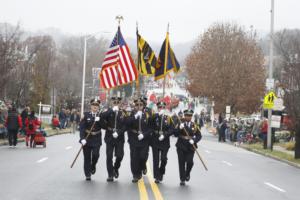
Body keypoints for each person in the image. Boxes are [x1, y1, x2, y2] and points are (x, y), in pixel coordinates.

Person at [126, 97, 152, 183]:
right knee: (134, 158)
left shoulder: (148, 114)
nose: (139, 106)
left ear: (144, 105)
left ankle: (143, 166)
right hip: (134, 138)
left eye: (141, 105)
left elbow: (151, 128)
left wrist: (144, 135)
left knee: (143, 156)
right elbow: (127, 123)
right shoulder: (132, 113)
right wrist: (135, 117)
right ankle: (135, 174)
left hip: (144, 140)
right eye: (137, 105)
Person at [174, 109, 202, 186]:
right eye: (187, 115)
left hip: (190, 146)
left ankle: (187, 173)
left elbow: (199, 135)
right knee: (181, 162)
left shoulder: (194, 125)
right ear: (184, 116)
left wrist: (194, 140)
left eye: (190, 116)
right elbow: (175, 134)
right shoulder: (180, 123)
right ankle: (182, 179)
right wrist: (179, 128)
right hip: (181, 145)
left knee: (190, 162)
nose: (188, 117)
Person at [79, 99, 105, 181]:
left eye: (97, 105)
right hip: (87, 139)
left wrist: (100, 120)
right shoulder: (86, 115)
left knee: (96, 155)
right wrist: (82, 139)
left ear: (98, 107)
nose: (95, 106)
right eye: (93, 105)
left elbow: (104, 127)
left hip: (96, 138)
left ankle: (93, 165)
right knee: (87, 158)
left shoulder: (101, 115)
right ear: (91, 106)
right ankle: (87, 174)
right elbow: (82, 128)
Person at [102, 96, 126, 182]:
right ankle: (110, 174)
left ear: (120, 103)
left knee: (120, 155)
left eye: (117, 102)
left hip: (119, 137)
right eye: (114, 102)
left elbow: (125, 126)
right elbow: (102, 117)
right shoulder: (108, 111)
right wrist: (112, 110)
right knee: (109, 156)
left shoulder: (123, 113)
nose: (116, 104)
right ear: (112, 103)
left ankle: (116, 167)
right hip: (109, 136)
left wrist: (118, 132)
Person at [150, 101, 173, 183]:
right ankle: (157, 176)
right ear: (157, 108)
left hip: (164, 140)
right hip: (155, 140)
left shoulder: (168, 118)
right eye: (159, 107)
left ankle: (162, 171)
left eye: (163, 107)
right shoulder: (154, 116)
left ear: (165, 108)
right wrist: (157, 115)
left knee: (163, 159)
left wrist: (165, 135)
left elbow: (171, 129)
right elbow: (149, 123)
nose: (161, 109)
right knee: (156, 159)